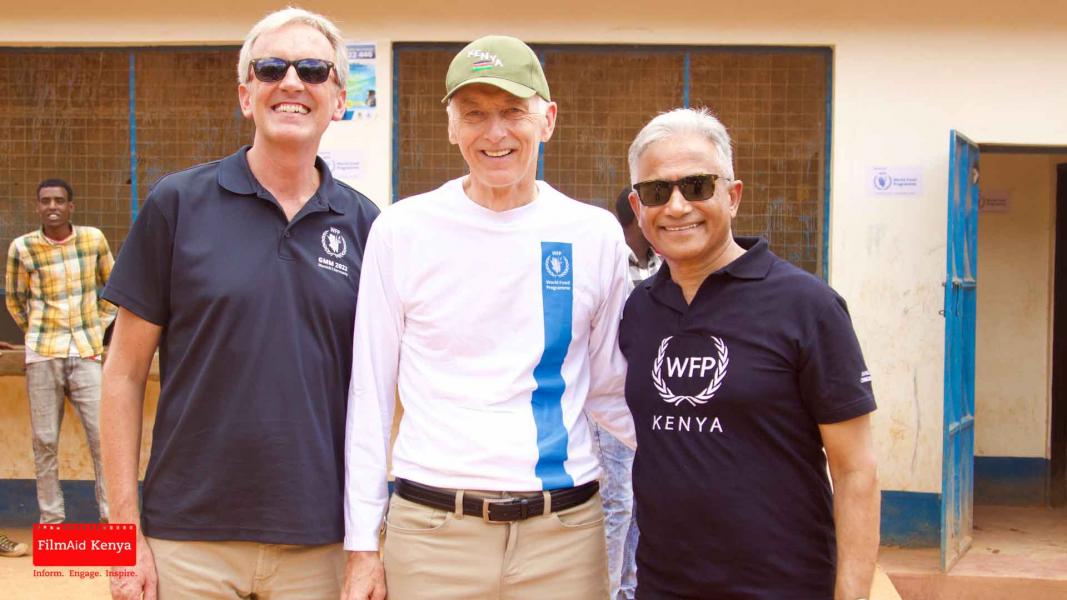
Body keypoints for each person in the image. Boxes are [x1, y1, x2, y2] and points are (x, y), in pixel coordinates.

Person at [99, 8, 379, 600]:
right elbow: (122, 374)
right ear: (246, 94)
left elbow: (378, 395)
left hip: (320, 544)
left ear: (339, 96)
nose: (292, 82)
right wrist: (122, 537)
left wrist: (368, 543)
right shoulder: (177, 205)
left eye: (312, 69)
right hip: (186, 542)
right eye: (271, 67)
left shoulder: (368, 227)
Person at [342, 35, 635, 600]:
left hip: (564, 535)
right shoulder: (403, 230)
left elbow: (609, 389)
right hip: (431, 534)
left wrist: (719, 456)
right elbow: (370, 396)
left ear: (547, 120)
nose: (494, 132)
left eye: (512, 112)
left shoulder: (593, 233)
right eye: (474, 114)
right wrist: (361, 544)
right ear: (451, 126)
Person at [619, 108, 879, 599]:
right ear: (637, 207)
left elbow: (856, 470)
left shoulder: (807, 306)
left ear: (732, 196)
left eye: (696, 186)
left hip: (784, 585)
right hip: (663, 586)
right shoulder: (639, 310)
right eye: (657, 191)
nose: (676, 207)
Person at [5, 179, 116, 525]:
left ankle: (112, 524)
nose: (52, 206)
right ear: (38, 207)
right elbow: (15, 300)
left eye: (59, 200)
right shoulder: (22, 248)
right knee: (45, 442)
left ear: (71, 206)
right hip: (43, 353)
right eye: (45, 201)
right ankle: (52, 524)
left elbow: (113, 288)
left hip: (86, 352)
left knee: (103, 440)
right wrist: (36, 331)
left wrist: (96, 328)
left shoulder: (93, 239)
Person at [588, 187, 662, 600]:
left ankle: (629, 590)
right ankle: (608, 588)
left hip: (648, 398)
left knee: (638, 504)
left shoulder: (658, 264)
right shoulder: (611, 258)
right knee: (616, 501)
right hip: (613, 398)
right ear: (634, 218)